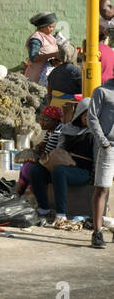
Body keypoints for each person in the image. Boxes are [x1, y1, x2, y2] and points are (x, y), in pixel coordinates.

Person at [31, 100, 94, 225]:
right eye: (85, 114)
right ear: (79, 114)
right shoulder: (68, 130)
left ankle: (61, 214)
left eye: (91, 114)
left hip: (83, 171)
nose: (87, 117)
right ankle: (44, 209)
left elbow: (99, 156)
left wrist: (94, 176)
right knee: (36, 170)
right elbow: (59, 150)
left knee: (59, 171)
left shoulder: (96, 133)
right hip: (64, 166)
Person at [17, 106, 62, 211]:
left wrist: (39, 149)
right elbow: (41, 147)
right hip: (49, 160)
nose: (41, 123)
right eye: (40, 119)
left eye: (45, 120)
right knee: (27, 165)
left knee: (28, 167)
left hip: (54, 163)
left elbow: (45, 153)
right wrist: (39, 148)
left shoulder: (57, 132)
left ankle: (22, 194)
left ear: (55, 120)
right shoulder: (50, 131)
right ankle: (20, 194)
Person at [87, 79, 114, 248]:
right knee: (102, 188)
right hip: (108, 148)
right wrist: (104, 142)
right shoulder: (102, 91)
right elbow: (92, 118)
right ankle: (97, 233)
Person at [24, 12, 63, 85]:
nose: (52, 29)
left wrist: (54, 60)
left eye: (53, 27)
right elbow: (34, 58)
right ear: (42, 26)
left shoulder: (49, 37)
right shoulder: (36, 39)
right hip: (37, 75)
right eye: (50, 27)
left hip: (47, 74)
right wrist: (53, 54)